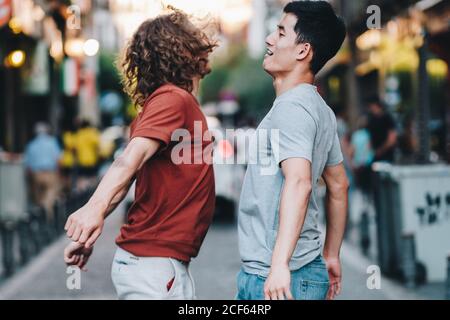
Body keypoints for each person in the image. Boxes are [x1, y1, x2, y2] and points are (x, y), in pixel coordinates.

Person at [63, 8, 217, 300]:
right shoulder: (173, 99)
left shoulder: (168, 104)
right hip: (153, 265)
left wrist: (92, 228)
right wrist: (93, 209)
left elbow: (129, 176)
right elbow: (128, 160)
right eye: (193, 39)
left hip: (160, 263)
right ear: (181, 50)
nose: (204, 44)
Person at [236, 1, 349, 300]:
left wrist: (279, 264)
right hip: (300, 271)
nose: (269, 39)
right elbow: (338, 185)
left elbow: (299, 182)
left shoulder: (292, 108)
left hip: (280, 278)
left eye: (281, 33)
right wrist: (332, 254)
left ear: (303, 51)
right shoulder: (319, 109)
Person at [24, 122, 62, 222]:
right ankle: (47, 212)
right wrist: (59, 172)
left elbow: (27, 163)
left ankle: (41, 214)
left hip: (36, 174)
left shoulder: (31, 145)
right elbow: (58, 159)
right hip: (50, 172)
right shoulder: (52, 142)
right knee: (51, 193)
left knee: (39, 196)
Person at [366, 97, 398, 163]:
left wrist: (381, 150)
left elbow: (392, 138)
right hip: (375, 156)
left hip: (387, 155)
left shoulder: (387, 118)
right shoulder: (371, 119)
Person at [73, 119, 101, 190]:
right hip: (92, 160)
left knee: (82, 179)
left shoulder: (79, 134)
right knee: (93, 178)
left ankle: (82, 193)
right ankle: (91, 192)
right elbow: (97, 146)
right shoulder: (92, 133)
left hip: (81, 160)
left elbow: (75, 148)